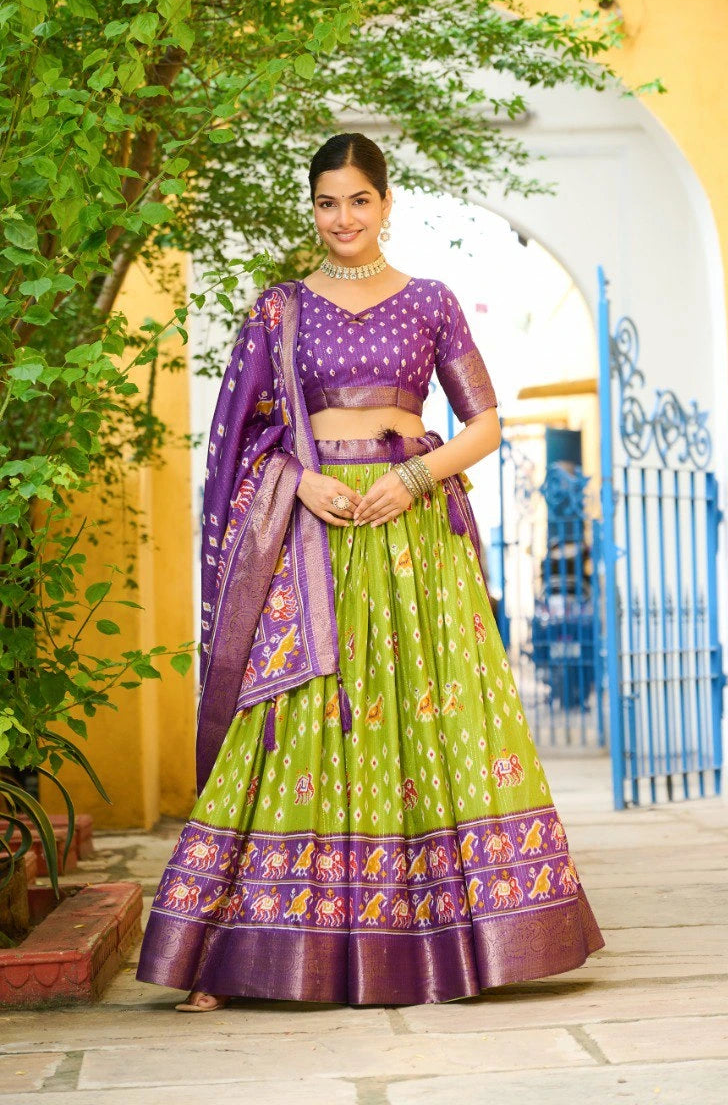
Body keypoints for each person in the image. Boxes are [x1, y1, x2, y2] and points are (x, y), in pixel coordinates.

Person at [136, 131, 605, 1011]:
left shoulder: (431, 301)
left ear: (386, 205)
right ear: (311, 208)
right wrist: (300, 480)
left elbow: (484, 425)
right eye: (326, 202)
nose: (342, 218)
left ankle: (463, 945)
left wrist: (414, 475)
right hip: (312, 543)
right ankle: (234, 950)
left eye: (357, 200)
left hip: (412, 539)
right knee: (292, 721)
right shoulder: (278, 311)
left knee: (430, 717)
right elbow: (236, 446)